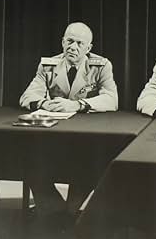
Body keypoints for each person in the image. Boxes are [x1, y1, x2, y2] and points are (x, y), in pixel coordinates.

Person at [18, 22, 118, 216]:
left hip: (85, 134)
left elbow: (112, 99)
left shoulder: (101, 65)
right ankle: (52, 207)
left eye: (80, 43)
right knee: (29, 155)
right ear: (62, 42)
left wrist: (78, 105)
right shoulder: (48, 64)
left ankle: (71, 209)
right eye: (70, 41)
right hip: (53, 131)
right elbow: (27, 96)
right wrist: (42, 104)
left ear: (88, 48)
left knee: (88, 159)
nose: (73, 47)